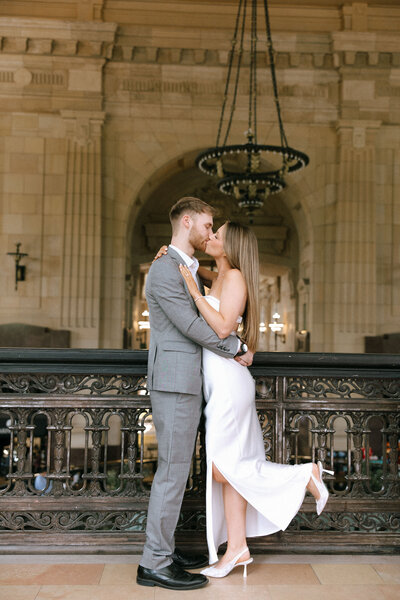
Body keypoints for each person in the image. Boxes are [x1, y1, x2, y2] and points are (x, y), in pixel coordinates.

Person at [155, 220, 334, 579]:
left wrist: (192, 289)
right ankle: (237, 548)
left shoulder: (234, 277)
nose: (210, 237)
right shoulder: (219, 275)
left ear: (230, 245)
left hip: (228, 381)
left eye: (217, 235)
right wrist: (174, 258)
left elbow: (222, 328)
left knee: (225, 468)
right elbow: (199, 274)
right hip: (217, 382)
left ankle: (305, 475)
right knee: (228, 470)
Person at [136, 197, 253, 591]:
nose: (210, 233)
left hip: (193, 381)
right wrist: (235, 348)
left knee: (180, 470)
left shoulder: (183, 266)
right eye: (207, 225)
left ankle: (163, 550)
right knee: (172, 471)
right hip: (175, 380)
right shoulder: (165, 270)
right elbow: (190, 325)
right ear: (187, 221)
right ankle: (154, 562)